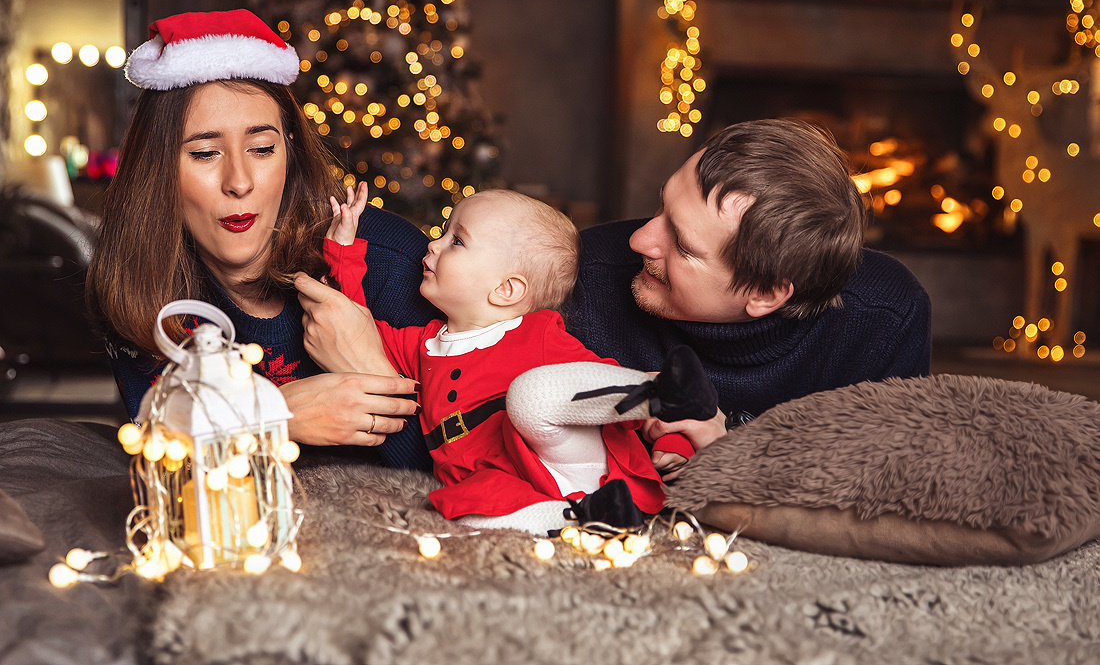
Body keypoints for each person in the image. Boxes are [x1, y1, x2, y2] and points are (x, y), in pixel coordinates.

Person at [86, 9, 437, 469]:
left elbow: (462, 483)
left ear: (289, 148)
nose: (239, 181)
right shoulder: (140, 286)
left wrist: (370, 367)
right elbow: (167, 464)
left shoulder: (392, 262)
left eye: (262, 148)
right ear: (160, 168)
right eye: (206, 153)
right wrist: (274, 413)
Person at [316, 185, 716, 533]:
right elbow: (353, 326)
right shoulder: (421, 344)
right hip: (512, 483)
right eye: (443, 233)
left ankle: (663, 390)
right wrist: (343, 251)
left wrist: (675, 440)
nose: (432, 245)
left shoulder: (536, 334)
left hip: (570, 456)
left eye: (456, 241)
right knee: (461, 510)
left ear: (506, 290)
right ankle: (583, 519)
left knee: (530, 396)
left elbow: (601, 385)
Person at [564, 118, 932, 477]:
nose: (639, 240)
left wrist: (734, 447)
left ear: (766, 293)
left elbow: (888, 485)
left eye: (682, 244)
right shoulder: (578, 276)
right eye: (661, 207)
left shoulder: (885, 316)